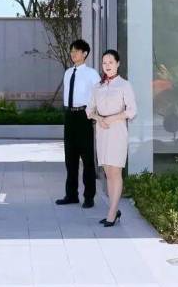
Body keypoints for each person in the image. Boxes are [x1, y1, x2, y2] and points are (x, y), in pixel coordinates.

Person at [87, 49, 137, 227]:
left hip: (117, 130)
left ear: (118, 64)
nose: (107, 65)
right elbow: (89, 110)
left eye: (110, 62)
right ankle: (113, 210)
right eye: (104, 62)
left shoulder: (124, 85)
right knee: (108, 172)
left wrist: (112, 118)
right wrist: (99, 118)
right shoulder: (98, 86)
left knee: (115, 171)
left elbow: (132, 111)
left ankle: (111, 213)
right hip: (102, 132)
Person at [55, 39, 100, 208]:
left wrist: (93, 113)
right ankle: (71, 195)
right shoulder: (68, 73)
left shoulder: (91, 74)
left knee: (87, 158)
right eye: (72, 51)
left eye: (76, 51)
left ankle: (89, 197)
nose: (73, 54)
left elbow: (99, 95)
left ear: (85, 53)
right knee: (70, 158)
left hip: (83, 116)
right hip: (69, 116)